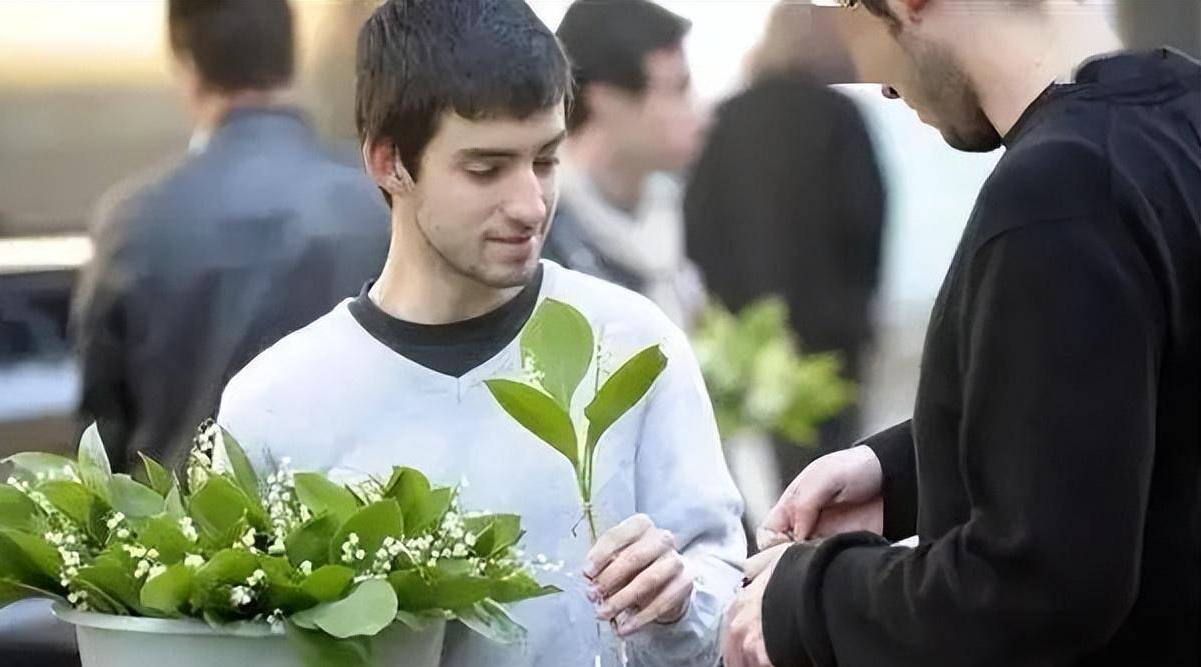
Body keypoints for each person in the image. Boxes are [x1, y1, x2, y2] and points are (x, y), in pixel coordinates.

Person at [217, 1, 745, 665]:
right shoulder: (274, 404)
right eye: (485, 168)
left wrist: (681, 600)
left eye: (546, 160)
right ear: (389, 162)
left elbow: (726, 588)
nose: (529, 204)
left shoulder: (635, 343)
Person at [723, 0, 1201, 665]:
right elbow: (1129, 418)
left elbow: (1037, 586)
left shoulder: (1058, 196)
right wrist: (903, 471)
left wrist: (806, 596)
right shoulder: (1176, 127)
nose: (878, 82)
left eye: (852, 16)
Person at [72, 0, 390, 470]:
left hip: (178, 534)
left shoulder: (135, 220)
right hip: (356, 529)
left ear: (186, 63)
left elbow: (101, 438)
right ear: (291, 58)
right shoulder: (380, 199)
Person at [685, 2, 887, 482]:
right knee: (838, 468)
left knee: (754, 471)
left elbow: (697, 223)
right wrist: (861, 308)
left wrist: (722, 305)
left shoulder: (725, 120)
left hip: (746, 334)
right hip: (831, 334)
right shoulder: (841, 116)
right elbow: (867, 219)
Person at [545, 0, 707, 328]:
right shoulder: (543, 226)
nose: (697, 114)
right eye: (676, 88)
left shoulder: (672, 206)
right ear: (604, 98)